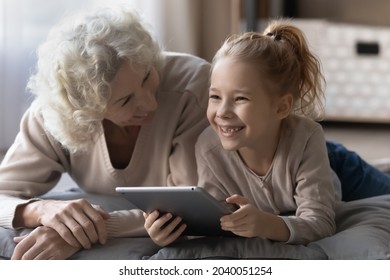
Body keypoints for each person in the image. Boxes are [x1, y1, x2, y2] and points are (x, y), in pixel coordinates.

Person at [0, 6, 210, 259]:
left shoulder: (193, 85)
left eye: (146, 77)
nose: (150, 103)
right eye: (125, 101)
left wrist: (80, 231)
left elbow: (190, 206)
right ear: (88, 111)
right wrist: (42, 210)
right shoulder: (54, 114)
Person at [145, 20, 338, 246]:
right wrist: (171, 232)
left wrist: (268, 224)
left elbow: (321, 222)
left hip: (333, 163)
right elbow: (214, 222)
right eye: (215, 97)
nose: (223, 112)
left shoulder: (306, 139)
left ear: (281, 107)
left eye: (240, 99)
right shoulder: (208, 147)